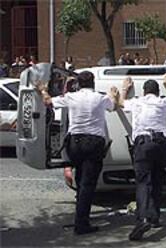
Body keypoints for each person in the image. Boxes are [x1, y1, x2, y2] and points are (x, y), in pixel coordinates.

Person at [36, 71, 119, 235]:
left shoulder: (71, 97)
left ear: (78, 84)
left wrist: (42, 89)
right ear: (93, 83)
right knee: (88, 184)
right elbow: (114, 106)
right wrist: (114, 94)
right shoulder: (100, 98)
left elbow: (48, 102)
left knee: (81, 180)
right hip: (93, 142)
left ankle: (81, 214)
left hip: (74, 143)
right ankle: (81, 223)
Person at [119, 76, 166, 241]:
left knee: (143, 182)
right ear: (157, 92)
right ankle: (154, 217)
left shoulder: (137, 102)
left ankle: (143, 219)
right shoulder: (162, 102)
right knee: (158, 179)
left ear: (144, 92)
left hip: (144, 144)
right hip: (162, 145)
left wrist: (124, 88)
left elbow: (121, 102)